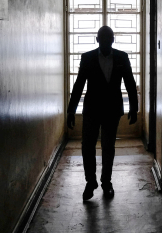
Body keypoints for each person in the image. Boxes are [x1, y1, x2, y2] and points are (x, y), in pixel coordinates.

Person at [67, 25, 138, 200]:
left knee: (108, 147)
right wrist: (71, 110)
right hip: (92, 110)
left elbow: (130, 83)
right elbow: (78, 86)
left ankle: (106, 182)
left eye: (109, 38)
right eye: (103, 38)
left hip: (112, 110)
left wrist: (134, 108)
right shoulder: (87, 58)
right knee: (87, 147)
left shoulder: (122, 57)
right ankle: (90, 182)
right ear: (97, 39)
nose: (106, 41)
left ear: (113, 39)